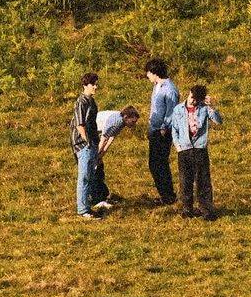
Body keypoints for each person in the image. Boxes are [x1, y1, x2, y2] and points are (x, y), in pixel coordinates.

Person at [168, 85, 223, 220]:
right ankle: (187, 209)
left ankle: (207, 210)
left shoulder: (204, 108)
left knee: (203, 181)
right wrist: (178, 147)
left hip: (200, 148)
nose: (193, 101)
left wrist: (211, 106)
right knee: (185, 181)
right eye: (192, 98)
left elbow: (218, 121)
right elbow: (174, 129)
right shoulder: (178, 109)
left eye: (196, 100)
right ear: (189, 94)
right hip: (184, 149)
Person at [91, 105, 141, 210]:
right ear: (126, 117)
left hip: (98, 134)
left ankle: (103, 195)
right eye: (132, 122)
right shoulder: (117, 122)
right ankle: (97, 199)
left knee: (99, 166)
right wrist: (97, 155)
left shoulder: (121, 122)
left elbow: (111, 137)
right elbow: (104, 139)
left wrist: (103, 153)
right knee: (96, 168)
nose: (134, 124)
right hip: (93, 133)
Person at [145, 58, 179, 206]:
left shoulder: (169, 89)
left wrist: (164, 127)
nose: (147, 76)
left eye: (148, 72)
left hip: (162, 131)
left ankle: (168, 196)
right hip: (154, 129)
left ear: (154, 72)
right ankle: (165, 194)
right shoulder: (157, 86)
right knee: (154, 163)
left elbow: (172, 111)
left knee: (160, 164)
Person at [69, 72, 101, 220]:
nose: (95, 86)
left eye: (96, 84)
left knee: (90, 175)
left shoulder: (92, 101)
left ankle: (88, 205)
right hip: (83, 144)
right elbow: (79, 124)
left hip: (92, 142)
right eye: (92, 84)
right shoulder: (81, 102)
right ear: (85, 85)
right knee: (84, 177)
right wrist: (87, 142)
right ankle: (82, 209)